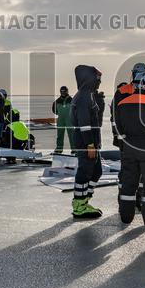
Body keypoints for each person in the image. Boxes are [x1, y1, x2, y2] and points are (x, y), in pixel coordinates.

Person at [113, 74, 145, 226]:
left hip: (129, 148)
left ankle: (126, 217)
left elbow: (119, 128)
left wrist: (124, 146)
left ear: (135, 86)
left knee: (128, 182)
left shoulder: (122, 103)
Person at [70, 65, 104, 219]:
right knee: (84, 173)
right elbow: (84, 124)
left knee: (96, 172)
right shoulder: (83, 97)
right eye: (97, 79)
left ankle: (84, 200)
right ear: (89, 80)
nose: (99, 82)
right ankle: (79, 205)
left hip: (91, 143)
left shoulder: (88, 95)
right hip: (86, 144)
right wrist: (90, 144)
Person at [52, 86, 73, 154]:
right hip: (61, 119)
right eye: (62, 91)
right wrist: (59, 114)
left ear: (67, 91)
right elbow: (54, 110)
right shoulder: (57, 101)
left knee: (72, 135)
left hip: (69, 119)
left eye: (64, 91)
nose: (63, 92)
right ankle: (59, 148)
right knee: (60, 135)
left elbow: (76, 110)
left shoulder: (72, 100)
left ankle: (74, 149)